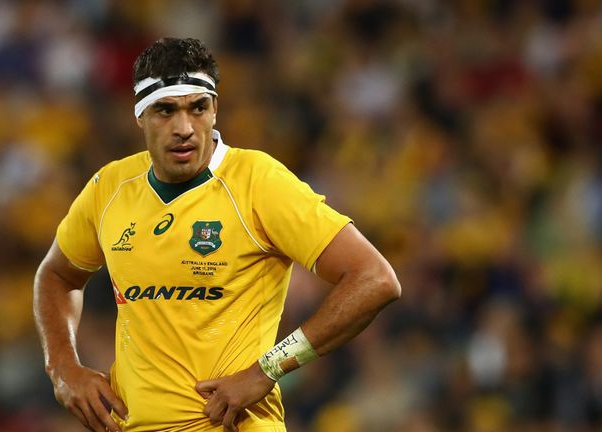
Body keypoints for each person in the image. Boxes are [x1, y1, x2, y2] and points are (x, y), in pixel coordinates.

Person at [33, 37, 400, 432]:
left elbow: (375, 278)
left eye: (198, 108)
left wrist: (267, 369)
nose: (184, 128)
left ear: (215, 109)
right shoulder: (111, 187)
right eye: (165, 111)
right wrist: (62, 367)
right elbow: (56, 275)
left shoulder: (258, 182)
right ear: (139, 116)